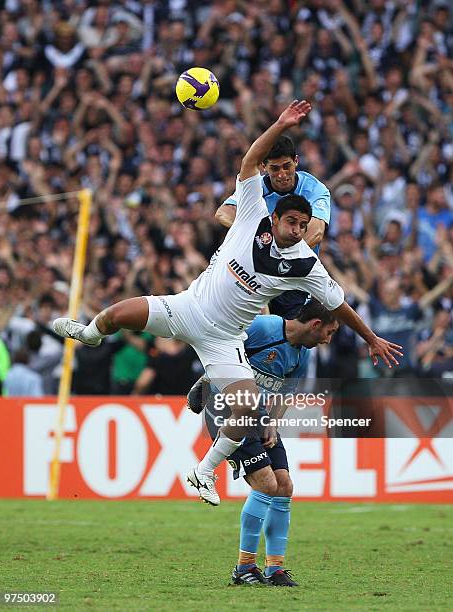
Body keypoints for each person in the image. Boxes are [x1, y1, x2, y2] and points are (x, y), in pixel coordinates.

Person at [52, 100, 402, 507]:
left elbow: (339, 305)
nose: (297, 229)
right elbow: (251, 159)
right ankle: (89, 335)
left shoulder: (306, 264)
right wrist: (280, 123)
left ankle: (203, 472)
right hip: (186, 308)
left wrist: (371, 337)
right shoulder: (252, 211)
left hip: (224, 339)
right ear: (274, 218)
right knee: (116, 314)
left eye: (302, 225)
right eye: (291, 222)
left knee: (246, 408)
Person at [191, 299, 339, 586]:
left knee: (283, 486)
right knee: (266, 484)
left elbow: (284, 393)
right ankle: (244, 567)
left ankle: (275, 569)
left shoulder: (301, 355)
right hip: (227, 408)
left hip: (259, 414)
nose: (327, 341)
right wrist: (204, 379)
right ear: (315, 325)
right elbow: (222, 347)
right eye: (329, 333)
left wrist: (272, 422)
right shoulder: (263, 327)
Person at [216, 133, 331, 318]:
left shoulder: (314, 189)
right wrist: (255, 232)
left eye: (287, 166)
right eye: (274, 168)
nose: (282, 174)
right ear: (263, 166)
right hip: (257, 272)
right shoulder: (256, 187)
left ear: (296, 161)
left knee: (294, 336)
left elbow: (316, 232)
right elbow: (224, 212)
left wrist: (274, 252)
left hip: (294, 276)